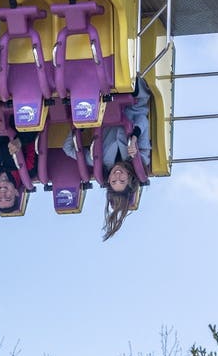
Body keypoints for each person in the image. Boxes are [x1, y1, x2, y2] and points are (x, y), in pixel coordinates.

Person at [62, 79, 153, 240]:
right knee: (128, 77)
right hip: (133, 103)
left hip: (103, 102)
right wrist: (134, 137)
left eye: (113, 181)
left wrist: (81, 126)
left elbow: (68, 148)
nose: (117, 176)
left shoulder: (98, 159)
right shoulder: (141, 159)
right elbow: (143, 120)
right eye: (122, 181)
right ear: (130, 179)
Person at [0, 133, 38, 215]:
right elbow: (34, 135)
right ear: (16, 193)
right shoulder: (28, 171)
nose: (3, 193)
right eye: (8, 197)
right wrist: (20, 141)